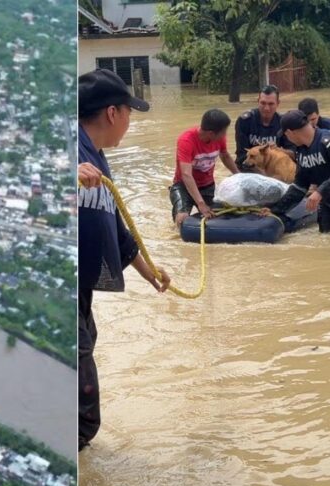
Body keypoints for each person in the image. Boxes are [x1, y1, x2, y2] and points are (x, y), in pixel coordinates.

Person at [78, 69, 171, 452]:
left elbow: (116, 228)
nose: (130, 123)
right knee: (80, 385)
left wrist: (150, 274)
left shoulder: (98, 158)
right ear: (113, 114)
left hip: (81, 290)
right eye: (130, 114)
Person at [263, 110, 330, 232]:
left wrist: (320, 192)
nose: (287, 139)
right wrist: (275, 210)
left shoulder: (329, 141)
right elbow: (299, 186)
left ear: (289, 133)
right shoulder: (301, 151)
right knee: (325, 240)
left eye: (286, 136)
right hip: (328, 203)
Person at [170, 109, 239, 226]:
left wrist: (239, 176)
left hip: (207, 186)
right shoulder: (186, 141)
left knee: (218, 217)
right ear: (211, 133)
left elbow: (225, 156)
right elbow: (186, 174)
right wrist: (201, 203)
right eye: (223, 132)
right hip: (183, 186)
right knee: (182, 219)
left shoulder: (219, 138)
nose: (225, 135)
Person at [234, 84, 293, 172]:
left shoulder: (284, 123)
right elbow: (241, 155)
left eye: (271, 104)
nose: (266, 108)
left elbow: (294, 154)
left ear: (278, 103)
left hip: (276, 171)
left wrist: (278, 150)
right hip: (249, 170)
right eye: (263, 103)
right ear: (258, 101)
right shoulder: (245, 121)